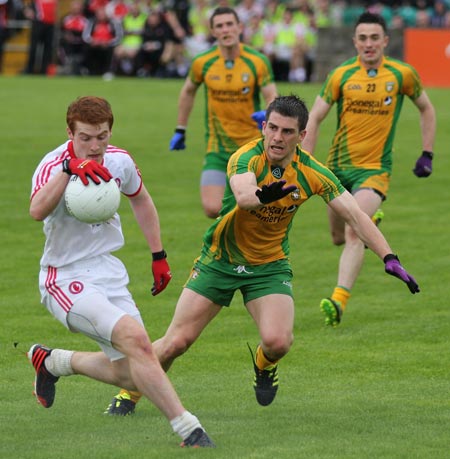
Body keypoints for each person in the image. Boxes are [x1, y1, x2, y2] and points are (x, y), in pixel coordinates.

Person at [116, 94, 421, 413]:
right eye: (272, 128)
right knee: (177, 342)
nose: (277, 137)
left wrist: (390, 258)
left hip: (269, 267)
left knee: (279, 342)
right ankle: (130, 394)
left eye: (287, 131)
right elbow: (244, 195)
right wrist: (263, 196)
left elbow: (357, 215)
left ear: (302, 136)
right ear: (263, 126)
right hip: (220, 261)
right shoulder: (245, 157)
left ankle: (263, 365)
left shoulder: (312, 172)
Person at [27, 96, 215, 448]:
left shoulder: (119, 161)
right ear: (70, 133)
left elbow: (140, 199)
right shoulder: (53, 164)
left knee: (132, 370)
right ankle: (190, 429)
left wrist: (158, 254)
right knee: (139, 343)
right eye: (85, 138)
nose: (95, 146)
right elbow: (36, 210)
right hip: (64, 277)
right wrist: (69, 170)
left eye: (102, 136)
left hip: (109, 272)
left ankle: (53, 362)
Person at [301, 12, 435, 327]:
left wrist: (427, 153)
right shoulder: (341, 75)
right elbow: (315, 117)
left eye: (375, 37)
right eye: (363, 38)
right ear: (355, 42)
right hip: (336, 171)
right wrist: (305, 161)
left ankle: (338, 300)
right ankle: (369, 220)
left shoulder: (402, 74)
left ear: (385, 40)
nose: (369, 44)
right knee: (337, 236)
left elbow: (427, 108)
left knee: (353, 230)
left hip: (374, 171)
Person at [168, 6, 278, 219]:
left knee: (251, 204)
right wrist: (180, 129)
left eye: (230, 24)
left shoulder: (257, 61)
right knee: (212, 208)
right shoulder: (203, 62)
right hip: (217, 149)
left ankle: (240, 245)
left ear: (240, 27)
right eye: (219, 26)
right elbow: (188, 92)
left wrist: (268, 113)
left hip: (250, 149)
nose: (225, 30)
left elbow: (272, 95)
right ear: (212, 31)